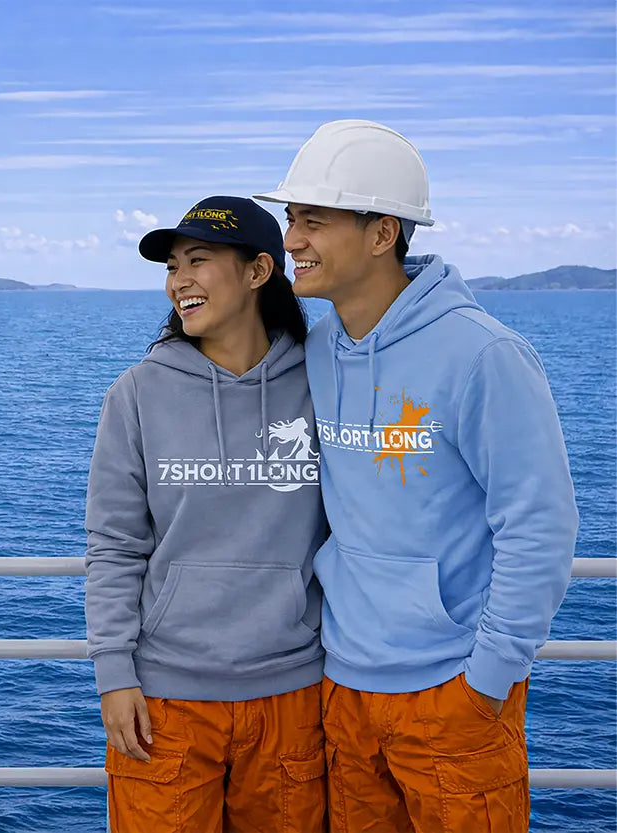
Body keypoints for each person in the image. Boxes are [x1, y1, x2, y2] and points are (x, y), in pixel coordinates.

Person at [254, 119, 579, 833]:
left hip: (453, 693)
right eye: (290, 219)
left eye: (315, 219)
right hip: (343, 688)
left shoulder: (484, 354)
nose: (293, 239)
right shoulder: (315, 349)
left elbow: (541, 527)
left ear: (382, 233)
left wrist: (486, 681)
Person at [85, 196, 328, 832]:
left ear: (258, 272)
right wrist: (113, 674)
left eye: (197, 260)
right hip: (164, 700)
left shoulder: (323, 384)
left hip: (294, 693)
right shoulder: (136, 393)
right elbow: (114, 545)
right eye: (171, 266)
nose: (178, 281)